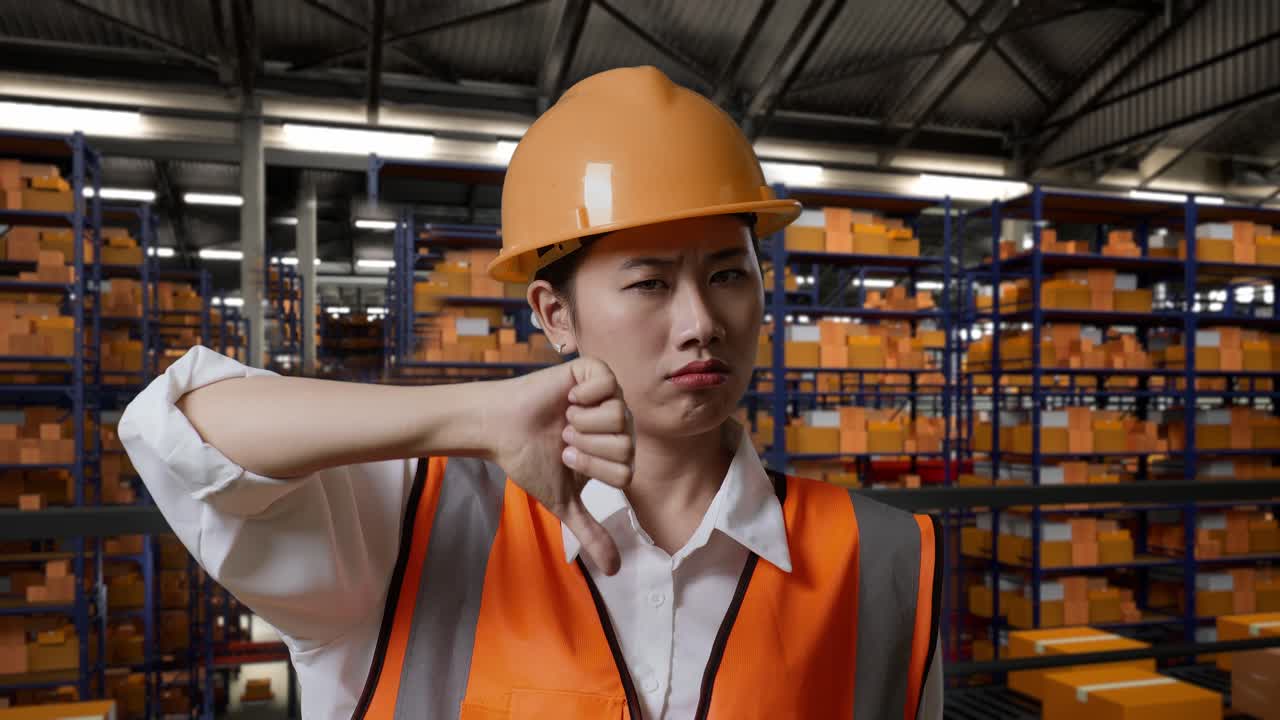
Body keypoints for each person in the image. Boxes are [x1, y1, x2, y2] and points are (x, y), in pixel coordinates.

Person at [120, 65, 943, 719]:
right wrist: (475, 413)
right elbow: (179, 427)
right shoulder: (407, 528)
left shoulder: (885, 562)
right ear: (554, 314)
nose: (701, 323)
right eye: (651, 283)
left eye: (729, 274)